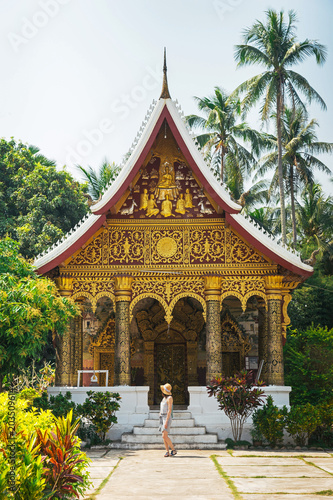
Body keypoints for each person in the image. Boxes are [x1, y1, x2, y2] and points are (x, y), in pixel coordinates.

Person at [159, 383, 177, 457]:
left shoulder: (170, 398)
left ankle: (173, 450)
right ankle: (167, 451)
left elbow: (169, 410)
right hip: (162, 416)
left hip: (167, 417)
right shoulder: (164, 398)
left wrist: (166, 421)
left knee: (164, 435)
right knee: (163, 436)